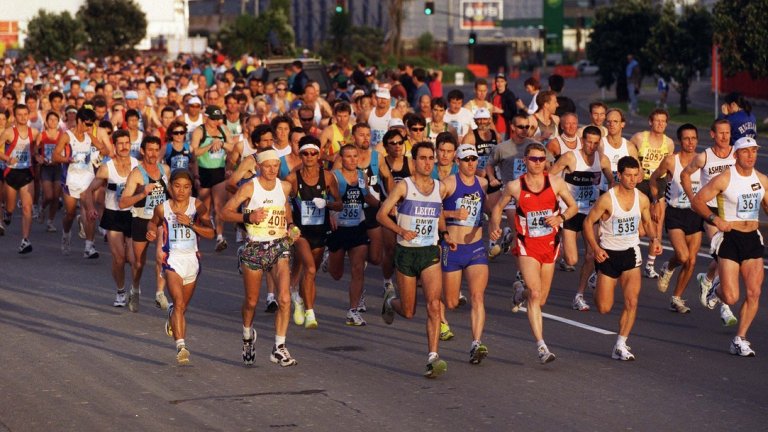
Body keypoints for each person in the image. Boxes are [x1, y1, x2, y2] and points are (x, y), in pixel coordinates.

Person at [489, 142, 578, 363]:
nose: (537, 163)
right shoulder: (514, 187)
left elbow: (573, 206)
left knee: (541, 299)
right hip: (526, 246)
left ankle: (520, 293)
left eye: (541, 159)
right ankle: (541, 346)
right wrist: (495, 227)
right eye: (533, 159)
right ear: (525, 161)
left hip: (549, 245)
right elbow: (498, 207)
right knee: (536, 294)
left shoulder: (556, 183)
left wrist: (560, 218)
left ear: (546, 161)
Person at [378, 141, 452, 378]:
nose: (428, 162)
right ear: (414, 161)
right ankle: (390, 303)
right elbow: (381, 215)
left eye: (431, 158)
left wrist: (445, 234)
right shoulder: (404, 187)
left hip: (429, 252)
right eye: (423, 158)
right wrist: (401, 231)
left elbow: (438, 213)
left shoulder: (439, 187)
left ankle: (432, 357)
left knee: (433, 305)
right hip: (406, 251)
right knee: (409, 311)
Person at [221, 149, 301, 367]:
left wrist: (291, 226)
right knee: (252, 302)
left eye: (276, 165)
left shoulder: (284, 187)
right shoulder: (250, 187)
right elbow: (225, 212)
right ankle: (247, 335)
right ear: (259, 167)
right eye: (268, 166)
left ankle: (279, 347)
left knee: (284, 298)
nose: (273, 169)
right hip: (254, 247)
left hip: (279, 245)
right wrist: (249, 216)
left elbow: (285, 209)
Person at [691, 137, 768, 357]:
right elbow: (698, 201)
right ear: (736, 155)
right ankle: (715, 288)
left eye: (754, 151)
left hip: (752, 238)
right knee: (732, 297)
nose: (751, 155)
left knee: (754, 292)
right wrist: (715, 219)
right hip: (730, 239)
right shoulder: (724, 178)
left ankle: (740, 338)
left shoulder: (762, 179)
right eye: (746, 152)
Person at [583, 156, 662, 360]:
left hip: (631, 253)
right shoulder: (607, 199)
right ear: (619, 175)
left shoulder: (642, 198)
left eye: (636, 175)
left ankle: (621, 343)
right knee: (603, 307)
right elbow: (587, 223)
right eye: (628, 175)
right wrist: (594, 248)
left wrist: (654, 239)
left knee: (632, 301)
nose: (633, 179)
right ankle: (597, 279)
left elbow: (647, 222)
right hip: (608, 255)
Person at [146, 169, 215, 365]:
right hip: (172, 259)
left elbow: (211, 232)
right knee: (178, 301)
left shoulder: (197, 206)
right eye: (177, 186)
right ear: (170, 188)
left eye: (186, 187)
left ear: (191, 188)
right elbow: (152, 224)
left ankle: (172, 315)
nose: (181, 191)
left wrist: (191, 223)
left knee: (181, 307)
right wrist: (151, 232)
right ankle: (181, 346)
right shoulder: (163, 208)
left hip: (191, 261)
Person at [680, 119, 738, 326]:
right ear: (712, 134)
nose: (725, 137)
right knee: (725, 254)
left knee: (731, 256)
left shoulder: (737, 153)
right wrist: (692, 198)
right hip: (711, 211)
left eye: (728, 133)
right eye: (721, 133)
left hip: (733, 211)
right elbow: (684, 174)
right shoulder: (705, 157)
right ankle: (725, 307)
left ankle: (707, 278)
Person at [548, 126, 613, 311]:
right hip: (570, 211)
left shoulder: (602, 160)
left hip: (590, 214)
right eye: (588, 142)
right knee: (571, 260)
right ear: (582, 140)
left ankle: (579, 295)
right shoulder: (570, 157)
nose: (591, 146)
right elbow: (550, 177)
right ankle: (558, 240)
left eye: (595, 143)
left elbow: (613, 181)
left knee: (592, 254)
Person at [441, 144, 492, 363]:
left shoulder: (483, 183)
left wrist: (497, 223)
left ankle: (476, 343)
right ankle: (441, 314)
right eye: (466, 159)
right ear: (458, 162)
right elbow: (432, 208)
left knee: (478, 296)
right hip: (452, 248)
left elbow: (490, 208)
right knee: (451, 302)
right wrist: (452, 213)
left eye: (474, 159)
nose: (471, 163)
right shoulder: (449, 183)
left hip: (475, 247)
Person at [286, 136, 341, 329]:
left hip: (320, 230)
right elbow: (283, 201)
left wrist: (326, 203)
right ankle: (310, 313)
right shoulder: (293, 177)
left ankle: (299, 300)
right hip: (300, 233)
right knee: (308, 269)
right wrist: (290, 223)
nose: (309, 157)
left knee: (311, 274)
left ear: (319, 155)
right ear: (300, 154)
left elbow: (340, 204)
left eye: (313, 153)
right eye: (305, 153)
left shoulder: (327, 176)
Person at [649, 123, 703, 313]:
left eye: (694, 138)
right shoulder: (672, 161)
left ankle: (677, 298)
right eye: (687, 138)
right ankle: (669, 266)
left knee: (692, 261)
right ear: (680, 141)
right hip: (675, 213)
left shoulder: (702, 160)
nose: (691, 142)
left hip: (695, 214)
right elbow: (654, 178)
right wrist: (656, 199)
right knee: (682, 256)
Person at [82, 130, 139, 307]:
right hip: (113, 214)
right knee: (119, 258)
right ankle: (121, 291)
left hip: (133, 214)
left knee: (133, 258)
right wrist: (91, 208)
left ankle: (134, 289)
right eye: (120, 143)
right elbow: (88, 192)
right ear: (114, 146)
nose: (124, 147)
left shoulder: (138, 165)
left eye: (127, 143)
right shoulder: (107, 168)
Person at [118, 135, 172, 312]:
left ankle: (159, 293)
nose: (153, 153)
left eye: (156, 149)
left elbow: (171, 194)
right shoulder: (136, 174)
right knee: (138, 263)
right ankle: (134, 289)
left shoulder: (165, 170)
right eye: (149, 149)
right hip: (141, 219)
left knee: (161, 256)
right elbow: (123, 202)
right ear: (142, 150)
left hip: (160, 220)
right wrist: (142, 193)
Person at [328, 145, 378, 325]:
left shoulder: (362, 177)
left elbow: (368, 198)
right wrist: (330, 213)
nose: (352, 160)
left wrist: (386, 205)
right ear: (341, 158)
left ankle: (353, 310)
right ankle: (329, 258)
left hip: (357, 226)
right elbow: (324, 198)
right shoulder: (333, 176)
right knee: (336, 274)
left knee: (358, 269)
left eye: (355, 156)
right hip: (338, 229)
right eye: (348, 156)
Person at [630, 109, 674, 278]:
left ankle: (650, 264)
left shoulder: (669, 143)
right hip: (641, 182)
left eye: (663, 121)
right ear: (650, 122)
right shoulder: (640, 138)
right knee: (640, 228)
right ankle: (627, 249)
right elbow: (628, 151)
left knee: (658, 224)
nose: (660, 124)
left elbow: (669, 165)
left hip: (659, 183)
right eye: (657, 120)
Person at [52, 106, 100, 258]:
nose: (89, 127)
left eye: (91, 124)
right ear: (79, 120)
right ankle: (66, 234)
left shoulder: (90, 137)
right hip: (71, 179)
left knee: (89, 212)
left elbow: (105, 149)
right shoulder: (67, 136)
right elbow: (55, 156)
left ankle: (89, 247)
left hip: (87, 179)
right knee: (70, 214)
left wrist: (99, 154)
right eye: (87, 124)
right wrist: (67, 159)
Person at [191, 104, 234, 252]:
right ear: (207, 117)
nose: (217, 122)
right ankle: (201, 233)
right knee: (204, 206)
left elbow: (232, 147)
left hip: (218, 171)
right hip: (203, 171)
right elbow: (195, 152)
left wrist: (221, 143)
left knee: (218, 206)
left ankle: (220, 236)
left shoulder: (223, 129)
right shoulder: (199, 131)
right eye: (214, 119)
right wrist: (209, 146)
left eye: (219, 119)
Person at [0, 104, 38, 253]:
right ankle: (7, 213)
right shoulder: (9, 132)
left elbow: (36, 150)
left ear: (28, 115)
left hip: (27, 173)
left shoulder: (34, 133)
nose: (23, 117)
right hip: (11, 172)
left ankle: (25, 240)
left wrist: (38, 156)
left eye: (25, 114)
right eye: (20, 114)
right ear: (15, 117)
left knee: (27, 207)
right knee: (10, 207)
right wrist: (7, 158)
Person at [35, 110, 63, 233]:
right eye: (50, 119)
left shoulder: (62, 135)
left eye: (55, 120)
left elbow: (67, 150)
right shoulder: (42, 135)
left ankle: (50, 221)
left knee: (56, 197)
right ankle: (42, 207)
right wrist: (38, 157)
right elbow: (35, 150)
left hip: (58, 167)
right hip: (46, 167)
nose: (53, 122)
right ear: (46, 122)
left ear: (58, 122)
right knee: (49, 196)